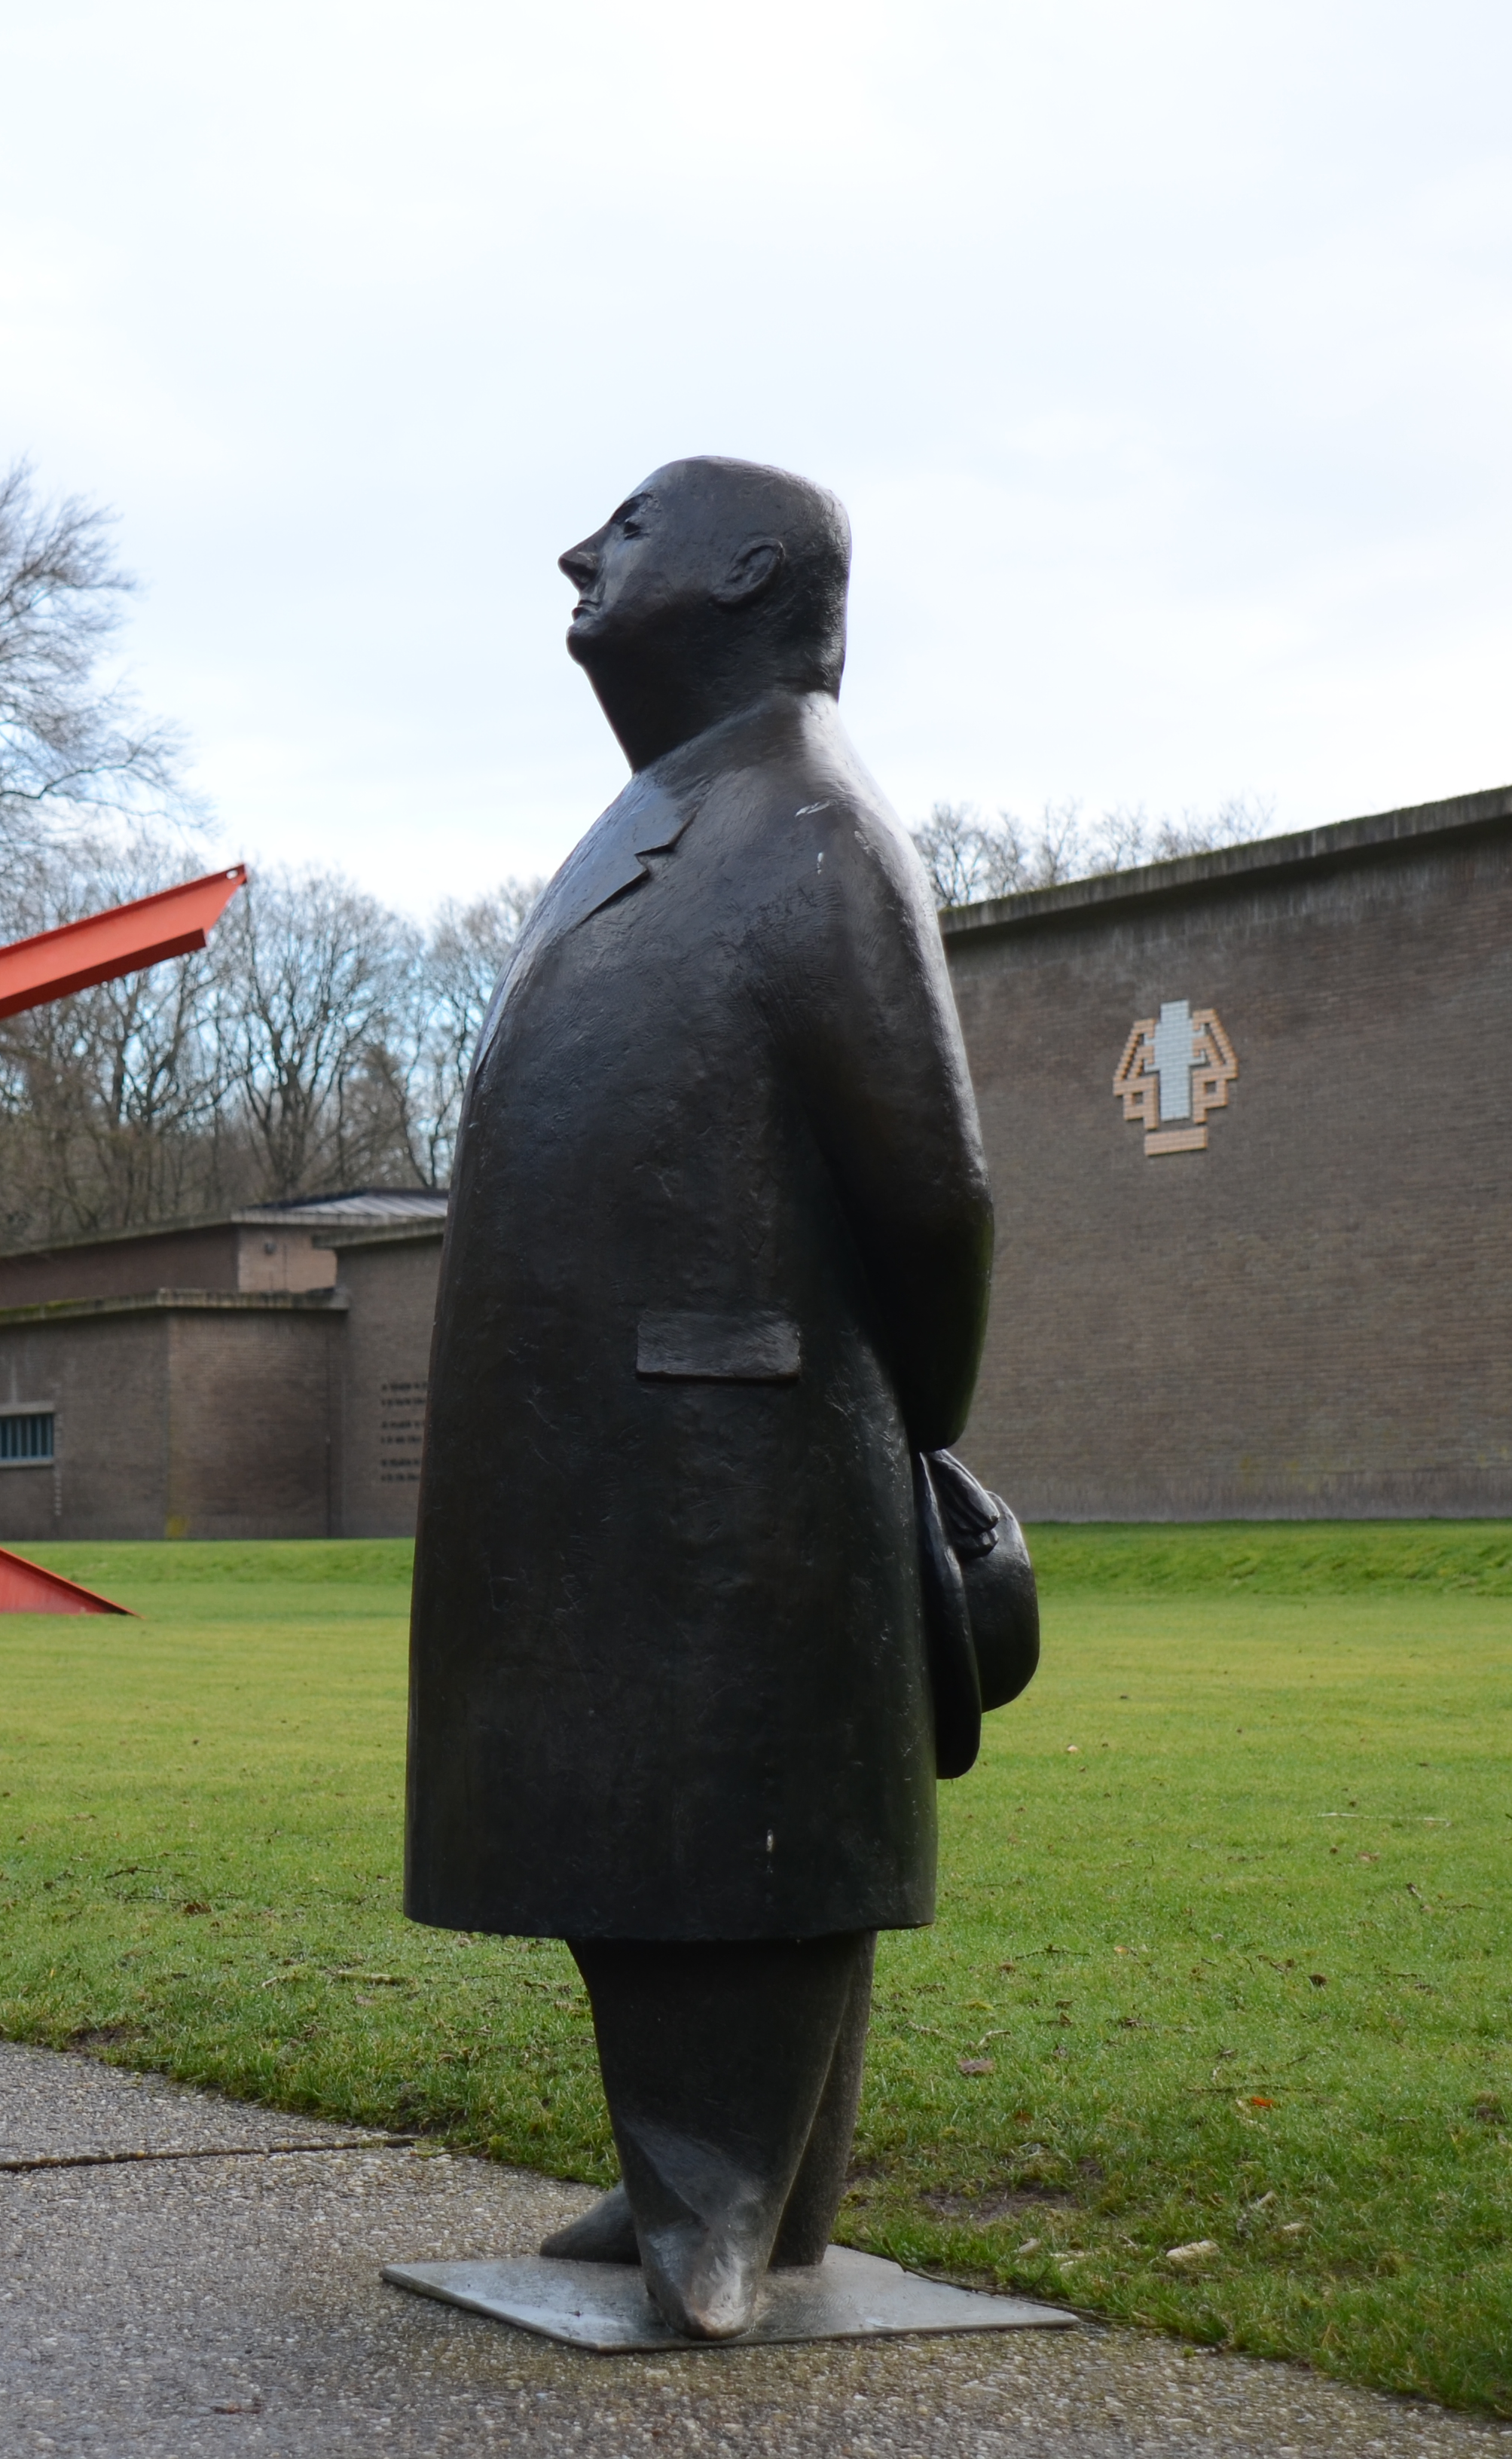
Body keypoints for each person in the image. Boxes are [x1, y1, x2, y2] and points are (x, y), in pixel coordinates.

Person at [405, 456, 996, 2340]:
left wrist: (912, 1422)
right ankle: (732, 2176)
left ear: (748, 574)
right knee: (631, 1809)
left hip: (729, 1448)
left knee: (722, 1809)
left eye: (631, 528)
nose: (580, 554)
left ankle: (719, 2193)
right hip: (609, 1451)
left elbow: (931, 1182)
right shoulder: (675, 815)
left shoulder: (811, 828)